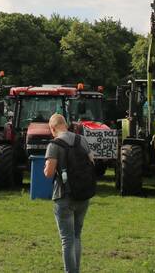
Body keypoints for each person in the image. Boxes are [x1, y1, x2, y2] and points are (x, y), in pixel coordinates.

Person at [44, 113, 94, 273]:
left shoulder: (54, 144)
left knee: (67, 240)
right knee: (77, 236)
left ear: (52, 128)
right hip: (83, 195)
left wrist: (46, 167)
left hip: (64, 196)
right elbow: (91, 162)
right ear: (65, 124)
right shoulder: (82, 140)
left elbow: (49, 173)